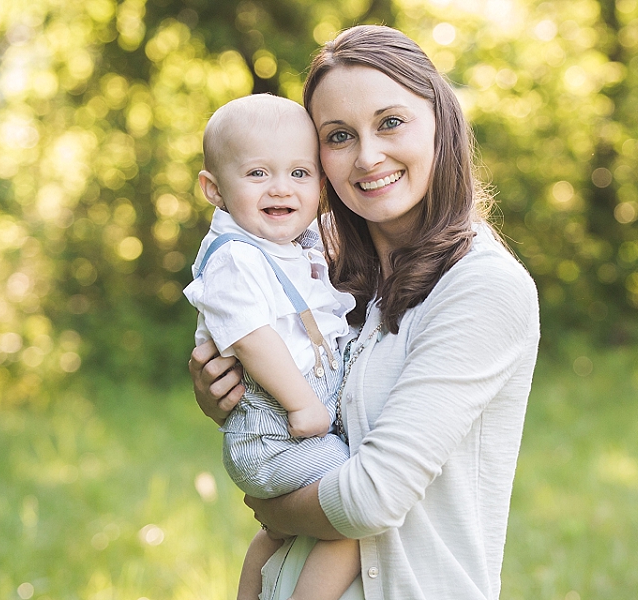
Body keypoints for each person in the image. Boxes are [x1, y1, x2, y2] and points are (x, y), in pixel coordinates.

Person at [189, 25, 540, 600]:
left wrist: (270, 505)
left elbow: (372, 498)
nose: (368, 155)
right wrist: (221, 391)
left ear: (440, 124)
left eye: (391, 122)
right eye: (339, 135)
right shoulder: (311, 264)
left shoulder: (480, 287)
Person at [183, 94, 360, 600]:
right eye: (258, 174)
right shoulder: (233, 257)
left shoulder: (291, 244)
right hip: (275, 436)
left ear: (321, 186)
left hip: (288, 434)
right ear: (214, 189)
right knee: (359, 508)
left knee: (279, 532)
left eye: (300, 174)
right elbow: (251, 337)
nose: (281, 187)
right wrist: (303, 404)